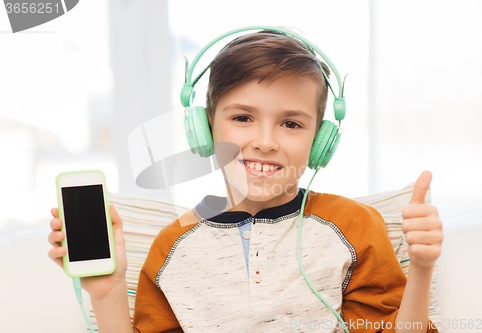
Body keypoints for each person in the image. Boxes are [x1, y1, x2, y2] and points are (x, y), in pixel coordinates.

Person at [48, 29, 443, 333]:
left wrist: (421, 269)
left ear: (320, 142)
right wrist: (109, 293)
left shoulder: (355, 226)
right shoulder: (170, 247)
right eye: (242, 118)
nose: (265, 142)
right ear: (203, 131)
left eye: (291, 123)